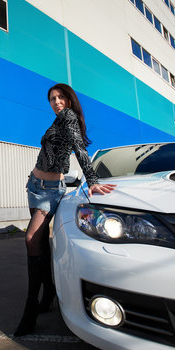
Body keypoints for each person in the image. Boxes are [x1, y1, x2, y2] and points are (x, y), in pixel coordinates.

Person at [14, 83, 116, 336]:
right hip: (35, 187)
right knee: (39, 243)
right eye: (52, 98)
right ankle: (47, 293)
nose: (56, 102)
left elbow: (80, 149)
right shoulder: (57, 121)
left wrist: (92, 181)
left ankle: (31, 309)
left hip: (49, 190)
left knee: (30, 240)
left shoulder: (68, 117)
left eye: (60, 97)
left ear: (69, 100)